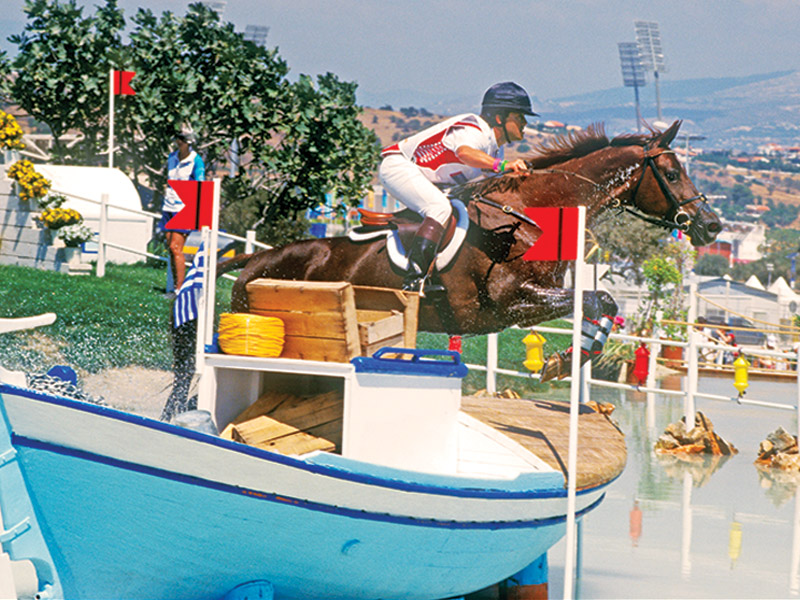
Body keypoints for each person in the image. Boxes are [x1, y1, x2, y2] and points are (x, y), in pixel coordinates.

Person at [378, 81, 537, 291]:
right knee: (440, 208)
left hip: (425, 179)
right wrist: (505, 165)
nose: (525, 122)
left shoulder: (494, 150)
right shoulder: (474, 129)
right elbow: (465, 153)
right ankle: (414, 278)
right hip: (398, 166)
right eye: (519, 116)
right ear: (499, 117)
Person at [161, 126, 205, 292]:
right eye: (177, 138)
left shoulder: (196, 161)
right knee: (170, 247)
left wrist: (196, 210)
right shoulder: (172, 157)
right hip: (169, 205)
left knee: (176, 247)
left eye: (181, 139)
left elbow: (200, 185)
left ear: (188, 142)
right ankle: (174, 286)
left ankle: (180, 289)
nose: (178, 142)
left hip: (185, 208)